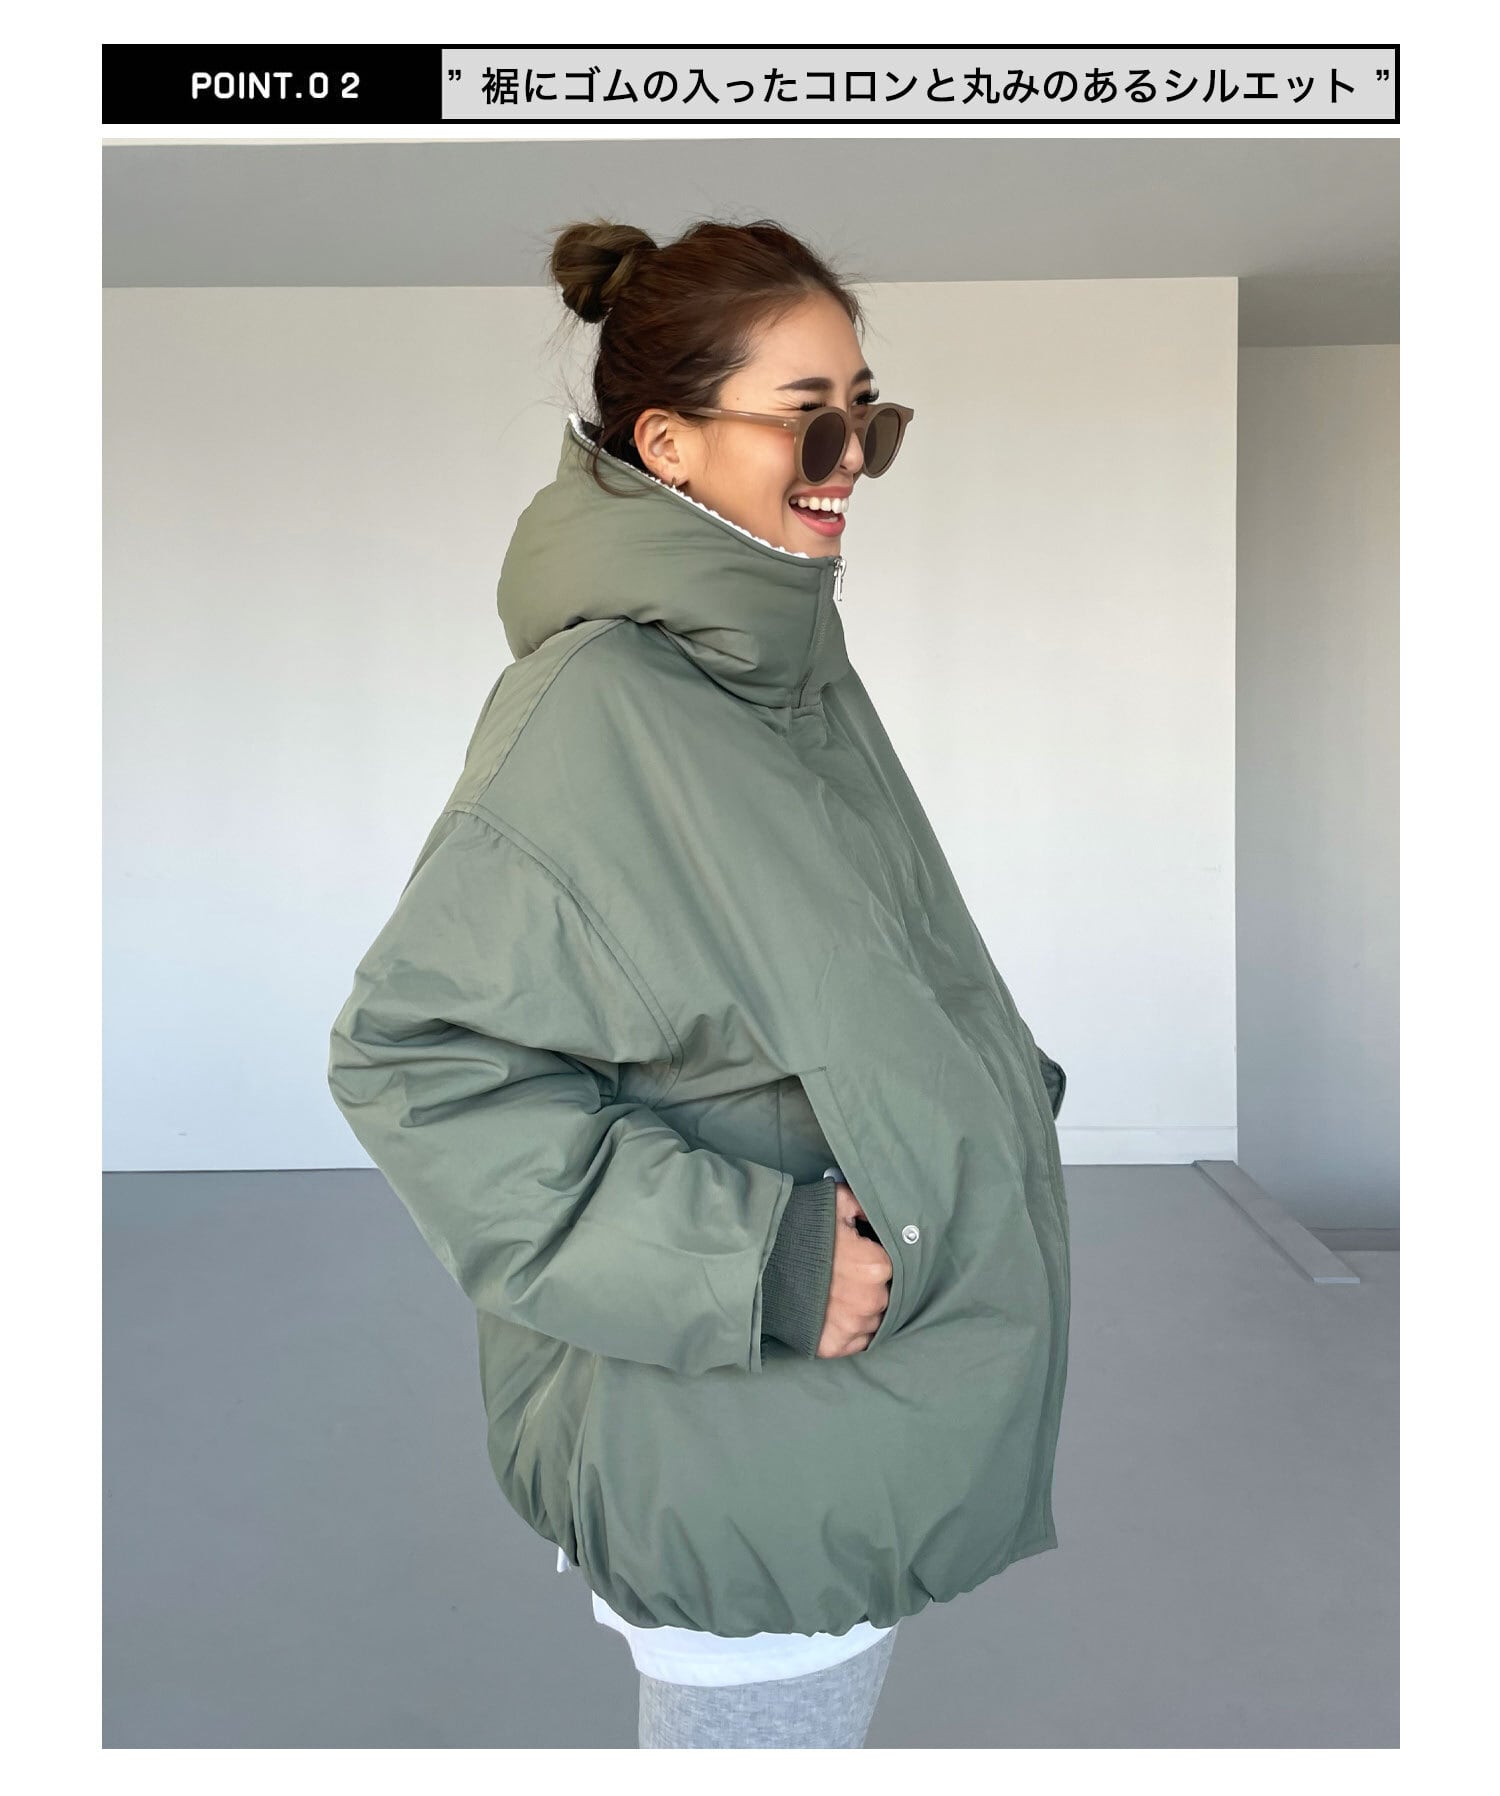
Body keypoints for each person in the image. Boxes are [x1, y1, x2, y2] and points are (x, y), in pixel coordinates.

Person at [327, 216, 1071, 1750]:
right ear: (667, 443)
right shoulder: (601, 703)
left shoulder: (788, 675)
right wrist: (761, 1259)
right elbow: (424, 1064)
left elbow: (838, 977)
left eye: (867, 416)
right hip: (743, 1410)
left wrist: (982, 1100)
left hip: (832, 1402)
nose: (850, 458)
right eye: (809, 417)